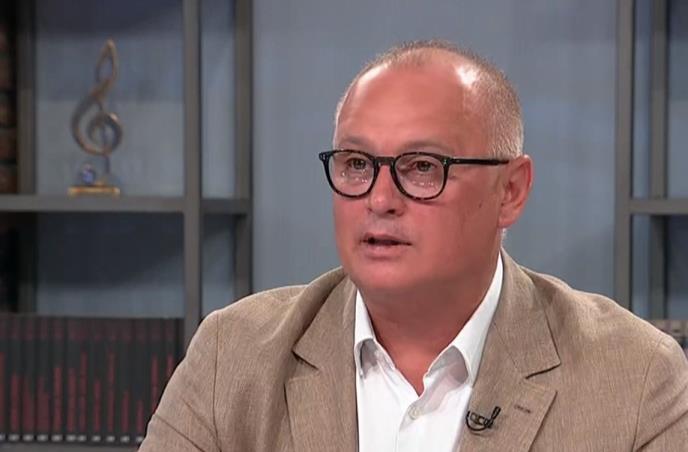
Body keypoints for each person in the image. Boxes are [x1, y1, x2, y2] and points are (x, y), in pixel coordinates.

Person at [139, 40, 688, 451]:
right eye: (357, 164)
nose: (380, 199)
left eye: (422, 167)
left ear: (511, 191)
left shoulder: (636, 379)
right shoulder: (233, 357)